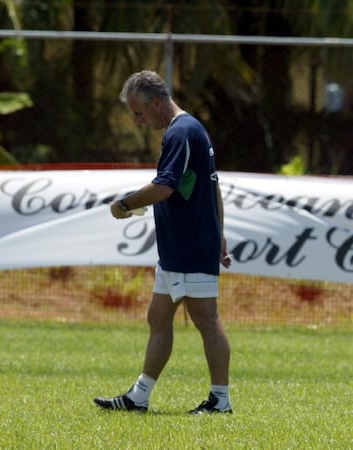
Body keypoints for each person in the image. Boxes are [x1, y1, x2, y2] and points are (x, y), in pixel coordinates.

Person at [94, 70, 234, 414]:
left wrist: (124, 204)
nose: (138, 121)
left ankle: (221, 400)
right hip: (181, 247)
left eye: (139, 113)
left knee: (206, 320)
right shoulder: (187, 130)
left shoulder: (182, 132)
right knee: (158, 316)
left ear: (156, 103)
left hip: (190, 245)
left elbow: (165, 186)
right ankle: (139, 397)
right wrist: (221, 232)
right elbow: (212, 185)